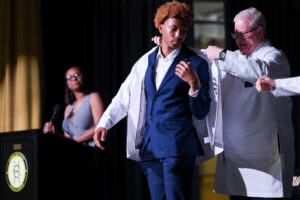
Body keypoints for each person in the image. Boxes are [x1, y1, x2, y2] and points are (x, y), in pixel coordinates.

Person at [93, 1, 211, 199]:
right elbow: (124, 96)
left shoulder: (196, 63)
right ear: (161, 28)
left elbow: (201, 111)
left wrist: (194, 84)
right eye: (174, 29)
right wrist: (104, 123)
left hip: (178, 148)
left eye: (183, 31)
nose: (178, 35)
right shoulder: (146, 61)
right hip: (150, 149)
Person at [205, 7, 294, 200]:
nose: (238, 39)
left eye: (242, 34)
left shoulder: (274, 57)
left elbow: (258, 70)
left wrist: (222, 55)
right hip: (236, 157)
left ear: (260, 31)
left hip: (267, 157)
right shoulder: (234, 59)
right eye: (235, 34)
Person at [43, 66, 104, 147]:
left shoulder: (93, 97)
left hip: (91, 151)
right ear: (67, 83)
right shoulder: (68, 108)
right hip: (73, 151)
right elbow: (67, 138)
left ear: (83, 78)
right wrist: (53, 135)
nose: (74, 79)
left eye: (77, 75)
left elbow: (100, 127)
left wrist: (74, 141)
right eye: (69, 77)